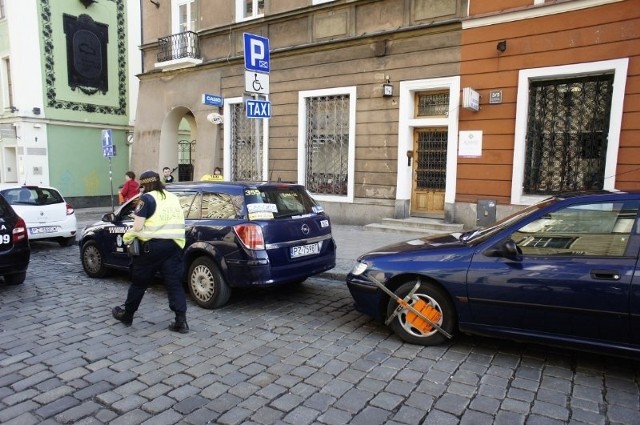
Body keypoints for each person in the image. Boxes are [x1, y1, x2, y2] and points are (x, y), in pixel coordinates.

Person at [111, 170, 189, 333]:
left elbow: (138, 227)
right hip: (174, 246)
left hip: (151, 249)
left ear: (145, 185)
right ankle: (180, 321)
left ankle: (127, 315)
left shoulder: (146, 199)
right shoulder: (173, 198)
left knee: (139, 283)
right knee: (174, 284)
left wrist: (127, 236)